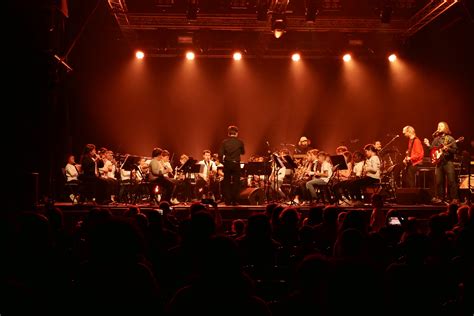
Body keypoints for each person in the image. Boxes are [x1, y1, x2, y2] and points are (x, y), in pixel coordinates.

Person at [424, 121, 459, 204]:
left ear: (446, 128)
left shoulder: (450, 138)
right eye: (438, 126)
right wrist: (428, 144)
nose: (439, 127)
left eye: (441, 126)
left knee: (451, 181)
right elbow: (432, 150)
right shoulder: (436, 139)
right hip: (439, 163)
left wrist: (448, 149)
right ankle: (440, 198)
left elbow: (456, 150)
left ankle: (454, 198)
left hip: (448, 162)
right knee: (439, 181)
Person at [219, 125, 245, 205]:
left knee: (226, 182)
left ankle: (227, 200)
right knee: (236, 182)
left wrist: (223, 162)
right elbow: (243, 152)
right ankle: (234, 200)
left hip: (227, 163)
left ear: (228, 133)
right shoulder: (240, 142)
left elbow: (220, 154)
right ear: (236, 133)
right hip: (236, 163)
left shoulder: (224, 142)